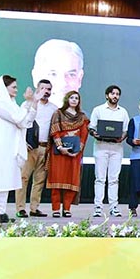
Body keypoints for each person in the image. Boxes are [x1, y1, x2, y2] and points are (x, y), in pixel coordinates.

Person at [0, 75, 47, 222]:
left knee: (5, 180)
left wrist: (34, 102)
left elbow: (26, 122)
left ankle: (1, 213)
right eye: (13, 87)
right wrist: (31, 102)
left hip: (8, 148)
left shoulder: (11, 104)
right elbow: (20, 118)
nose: (16, 90)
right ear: (4, 89)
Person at [14, 79, 58, 218]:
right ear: (37, 89)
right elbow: (20, 123)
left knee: (39, 180)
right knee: (24, 178)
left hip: (45, 148)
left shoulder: (54, 108)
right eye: (43, 88)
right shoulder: (27, 104)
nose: (46, 91)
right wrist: (23, 141)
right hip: (29, 147)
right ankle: (20, 208)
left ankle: (34, 208)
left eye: (49, 89)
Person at [45, 90, 89, 218]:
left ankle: (67, 208)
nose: (74, 100)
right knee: (57, 181)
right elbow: (54, 131)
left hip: (74, 155)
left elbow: (84, 135)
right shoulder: (58, 113)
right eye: (72, 97)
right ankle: (55, 209)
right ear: (67, 99)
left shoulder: (82, 117)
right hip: (59, 153)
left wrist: (77, 150)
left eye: (76, 98)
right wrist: (60, 147)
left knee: (71, 181)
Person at [89, 85, 129, 217]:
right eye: (112, 94)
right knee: (100, 179)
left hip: (116, 148)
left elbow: (125, 131)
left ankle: (114, 207)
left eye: (117, 94)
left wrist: (121, 138)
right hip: (101, 146)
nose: (115, 96)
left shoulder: (123, 112)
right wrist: (97, 134)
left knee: (114, 179)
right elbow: (91, 128)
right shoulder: (98, 110)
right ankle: (98, 208)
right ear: (107, 95)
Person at [31, 39, 84, 109]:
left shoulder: (88, 119)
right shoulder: (20, 118)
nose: (63, 83)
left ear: (79, 79)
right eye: (53, 74)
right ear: (36, 77)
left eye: (71, 75)